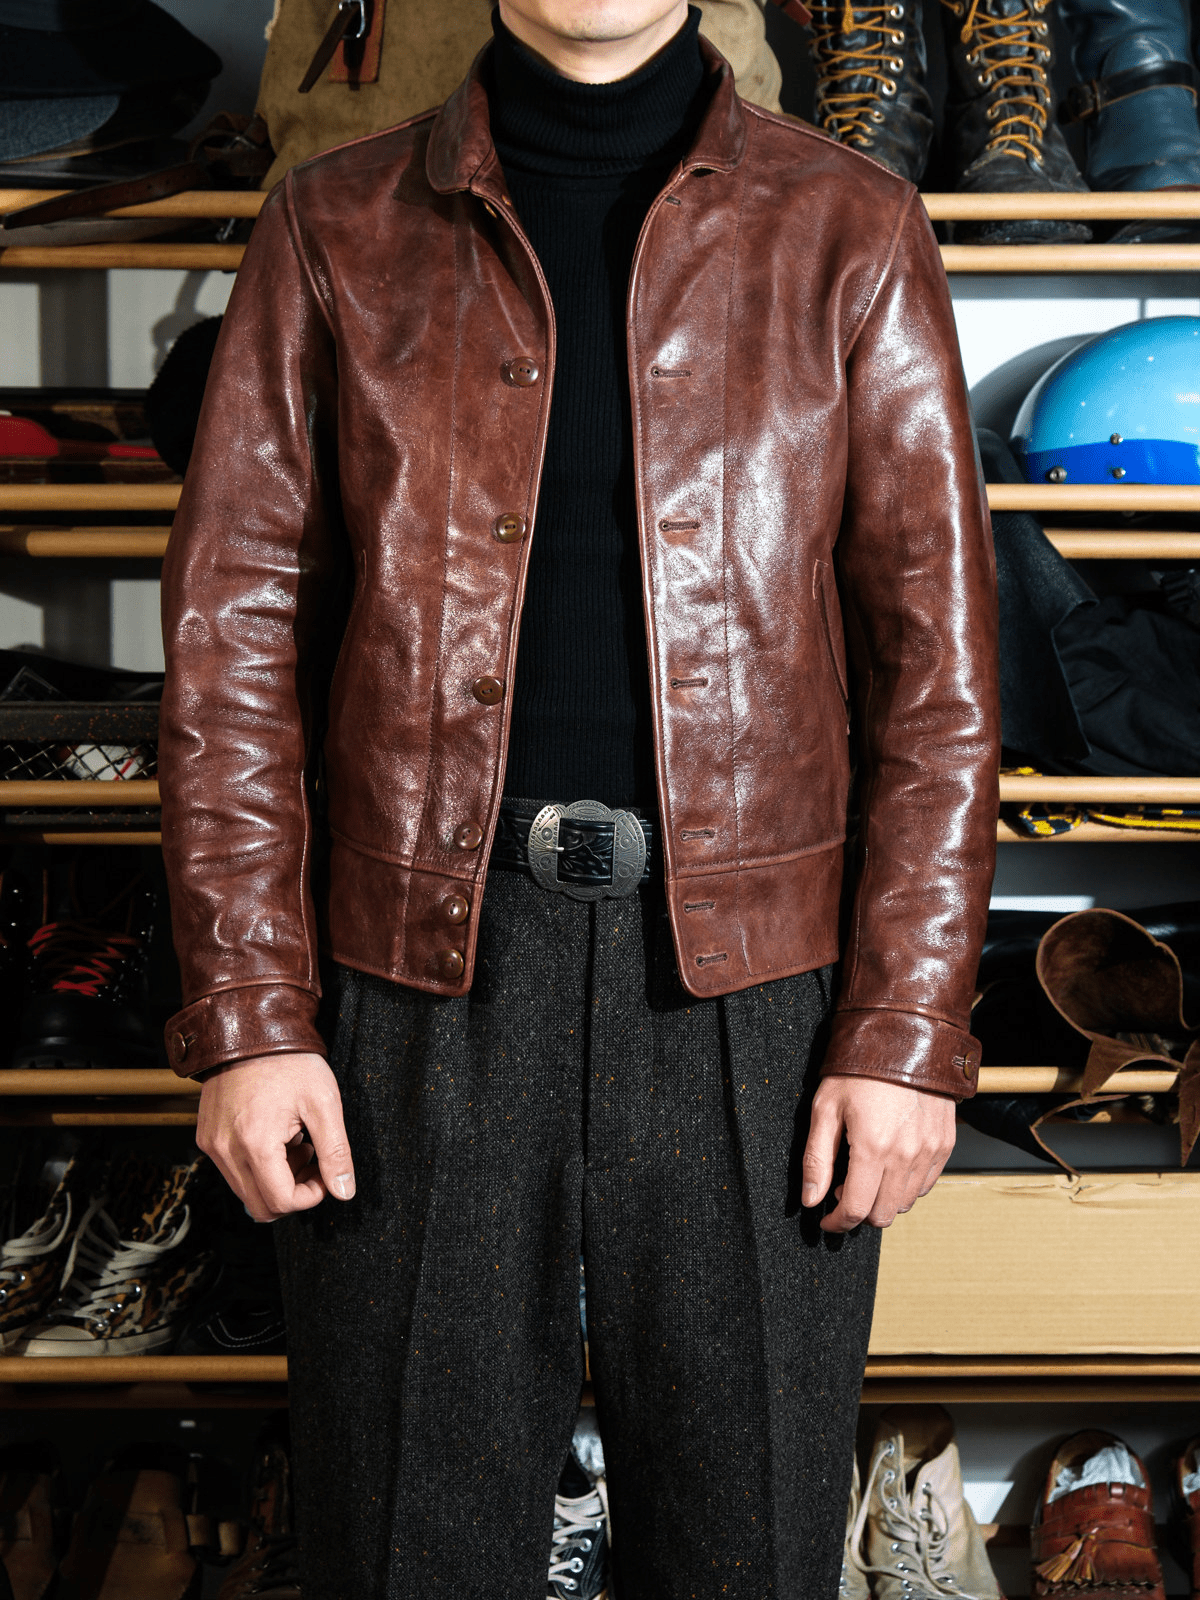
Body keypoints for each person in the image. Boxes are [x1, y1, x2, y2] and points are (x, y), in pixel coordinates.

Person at [158, 1, 1000, 1596]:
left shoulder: (851, 226)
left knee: (749, 1549)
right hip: (417, 983)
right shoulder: (333, 225)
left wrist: (906, 1027)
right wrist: (253, 1017)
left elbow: (937, 673)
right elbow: (231, 646)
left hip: (756, 996)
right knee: (408, 1548)